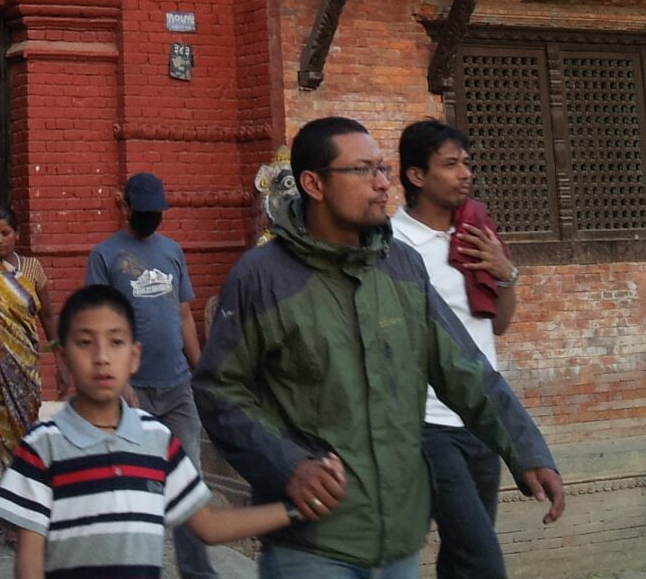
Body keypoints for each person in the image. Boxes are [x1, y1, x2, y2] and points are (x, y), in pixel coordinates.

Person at [196, 116, 565, 579]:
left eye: (383, 169)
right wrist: (287, 464)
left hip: (399, 542)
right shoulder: (263, 277)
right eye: (363, 171)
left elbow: (464, 368)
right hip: (312, 542)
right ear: (313, 183)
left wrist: (527, 451)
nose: (381, 184)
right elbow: (220, 390)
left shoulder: (400, 266)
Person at [0, 284, 294, 579]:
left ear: (134, 356)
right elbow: (29, 564)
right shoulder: (42, 446)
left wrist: (294, 510)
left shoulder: (157, 441)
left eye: (116, 342)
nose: (102, 357)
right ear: (64, 357)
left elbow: (208, 525)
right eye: (85, 342)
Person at [393, 120, 522, 579]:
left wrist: (505, 273)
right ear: (416, 176)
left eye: (466, 163)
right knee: (482, 558)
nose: (464, 173)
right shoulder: (392, 244)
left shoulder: (476, 233)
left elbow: (500, 323)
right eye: (450, 165)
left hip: (482, 418)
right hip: (427, 421)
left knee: (464, 554)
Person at [86, 171, 217, 579]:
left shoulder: (173, 251)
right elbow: (97, 325)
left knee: (188, 486)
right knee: (133, 490)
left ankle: (198, 572)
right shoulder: (105, 256)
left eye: (156, 212)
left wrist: (203, 371)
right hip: (132, 392)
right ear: (125, 207)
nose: (151, 218)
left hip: (178, 388)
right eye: (144, 212)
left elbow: (183, 316)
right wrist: (120, 382)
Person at [0, 205, 54, 509]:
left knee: (24, 435)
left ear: (17, 234)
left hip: (25, 370)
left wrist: (60, 355)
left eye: (6, 233)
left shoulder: (32, 269)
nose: (0, 240)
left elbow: (49, 317)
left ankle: (23, 504)